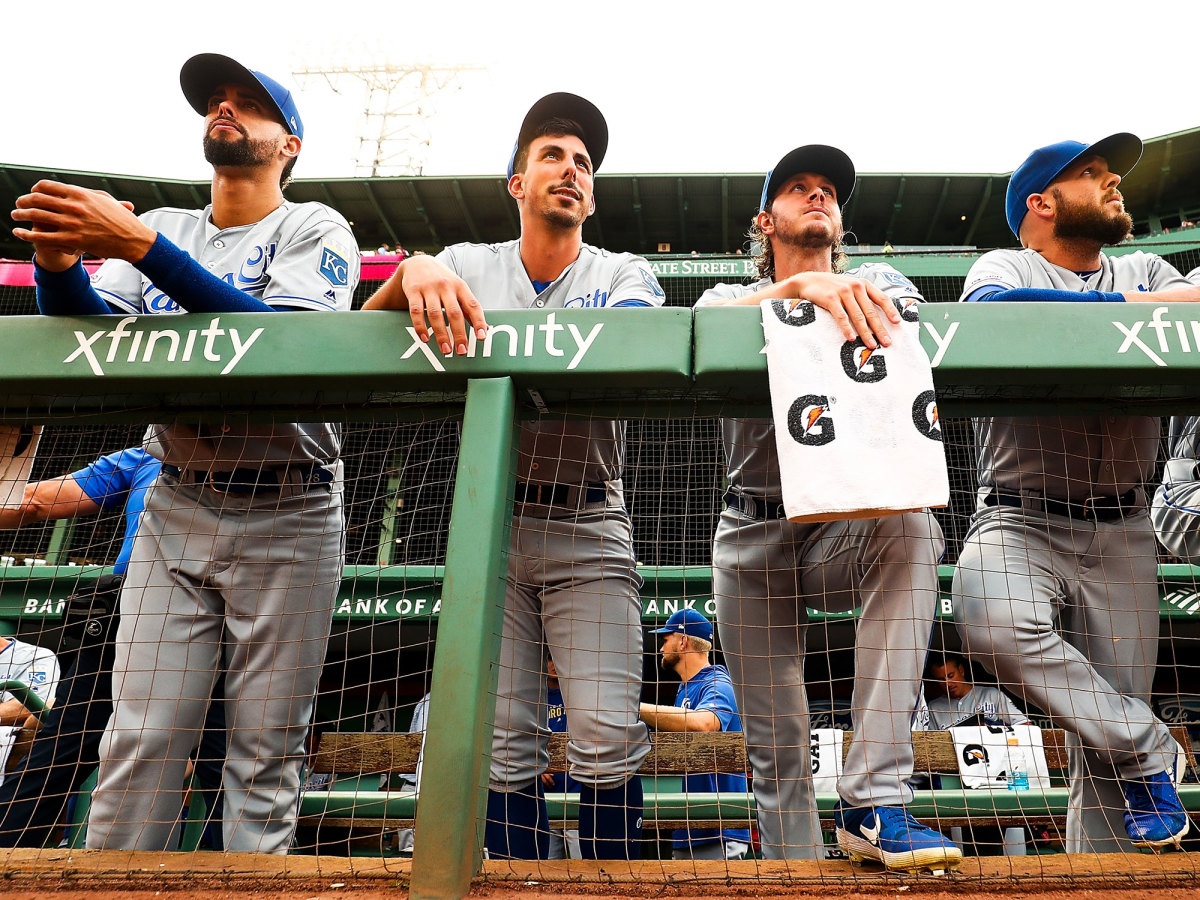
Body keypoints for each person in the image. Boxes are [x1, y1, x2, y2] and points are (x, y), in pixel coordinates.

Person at [11, 52, 359, 853]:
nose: (224, 110)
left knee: (263, 755)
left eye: (248, 104)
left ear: (290, 143)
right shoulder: (169, 226)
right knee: (141, 738)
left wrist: (137, 246)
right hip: (179, 496)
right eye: (216, 101)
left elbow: (282, 346)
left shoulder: (313, 226)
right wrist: (58, 266)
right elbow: (91, 337)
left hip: (292, 505)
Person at [366, 92, 663, 860]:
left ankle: (607, 882)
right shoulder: (465, 263)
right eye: (554, 156)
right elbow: (364, 336)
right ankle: (521, 881)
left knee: (603, 729)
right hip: (490, 524)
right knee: (502, 737)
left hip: (589, 521)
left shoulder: (624, 272)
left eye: (585, 164)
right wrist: (412, 271)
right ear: (517, 183)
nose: (572, 171)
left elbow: (626, 352)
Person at [694, 145, 960, 874]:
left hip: (843, 522)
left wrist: (824, 286)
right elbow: (701, 329)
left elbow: (909, 321)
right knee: (777, 748)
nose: (818, 198)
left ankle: (875, 798)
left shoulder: (878, 279)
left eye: (829, 193)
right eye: (799, 189)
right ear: (765, 219)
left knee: (913, 527)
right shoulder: (724, 295)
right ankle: (795, 882)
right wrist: (803, 287)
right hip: (752, 532)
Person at [952, 133, 1198, 853]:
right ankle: (1150, 742)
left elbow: (1191, 304)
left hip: (1122, 525)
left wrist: (1133, 295)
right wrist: (1130, 305)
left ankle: (1111, 866)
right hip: (1019, 520)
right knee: (990, 617)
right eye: (1092, 173)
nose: (1114, 178)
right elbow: (996, 310)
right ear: (1043, 202)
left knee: (1105, 750)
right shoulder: (1006, 262)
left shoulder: (1147, 262)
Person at [0, 447, 222, 848]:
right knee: (62, 744)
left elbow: (32, 502)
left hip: (221, 608)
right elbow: (31, 500)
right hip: (143, 608)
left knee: (225, 751)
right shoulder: (145, 456)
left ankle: (237, 874)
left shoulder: (276, 455)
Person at [640, 609, 750, 861]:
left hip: (720, 825)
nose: (660, 648)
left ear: (683, 641)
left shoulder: (718, 682)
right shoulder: (687, 688)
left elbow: (706, 723)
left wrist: (637, 709)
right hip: (692, 824)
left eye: (665, 639)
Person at [923, 652, 1029, 731]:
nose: (948, 683)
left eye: (951, 676)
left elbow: (1025, 725)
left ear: (961, 670)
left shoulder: (990, 694)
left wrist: (994, 730)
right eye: (942, 680)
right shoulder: (934, 707)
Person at [542, 660, 580, 860]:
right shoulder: (534, 699)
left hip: (578, 796)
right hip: (547, 800)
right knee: (547, 871)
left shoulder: (580, 696)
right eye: (548, 657)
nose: (554, 663)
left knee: (585, 870)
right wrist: (536, 768)